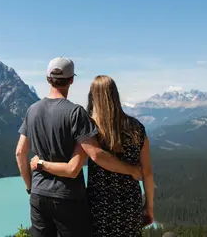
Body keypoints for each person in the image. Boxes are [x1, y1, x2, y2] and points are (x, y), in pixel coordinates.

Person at [15, 57, 142, 237]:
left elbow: (20, 152)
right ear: (72, 80)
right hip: (68, 199)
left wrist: (31, 187)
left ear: (47, 79)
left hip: (38, 196)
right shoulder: (76, 112)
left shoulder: (32, 110)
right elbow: (96, 155)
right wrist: (131, 170)